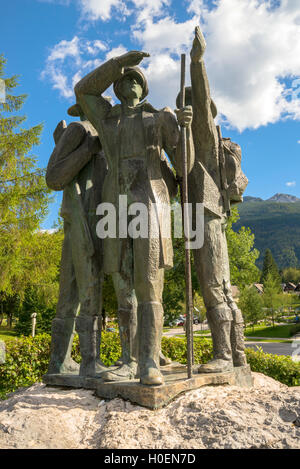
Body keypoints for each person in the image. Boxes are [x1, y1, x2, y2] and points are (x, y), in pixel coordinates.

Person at [74, 50, 194, 385]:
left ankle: (149, 363)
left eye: (134, 77)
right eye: (121, 79)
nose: (127, 81)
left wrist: (185, 131)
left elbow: (183, 165)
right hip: (115, 198)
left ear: (144, 88)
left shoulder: (160, 117)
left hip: (149, 197)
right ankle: (128, 360)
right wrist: (117, 62)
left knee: (148, 282)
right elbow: (82, 91)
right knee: (121, 281)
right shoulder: (107, 117)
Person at [183, 26, 248, 373]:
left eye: (192, 104)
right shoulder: (186, 145)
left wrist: (197, 62)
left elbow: (203, 109)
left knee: (214, 286)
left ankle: (226, 355)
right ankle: (236, 355)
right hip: (194, 216)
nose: (188, 110)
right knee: (214, 285)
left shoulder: (205, 139)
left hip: (207, 213)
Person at [46, 103, 108, 377]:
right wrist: (87, 150)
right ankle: (85, 362)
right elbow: (54, 177)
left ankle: (63, 362)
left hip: (100, 218)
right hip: (81, 216)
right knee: (83, 291)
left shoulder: (106, 133)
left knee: (74, 292)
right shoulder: (79, 130)